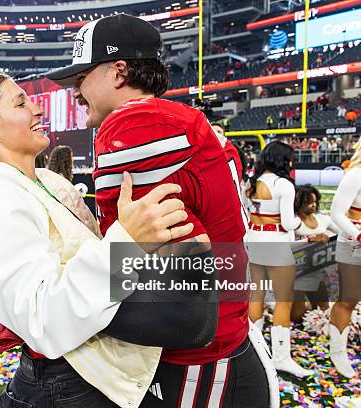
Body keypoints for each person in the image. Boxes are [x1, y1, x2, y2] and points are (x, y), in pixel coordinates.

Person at [47, 13, 274, 407]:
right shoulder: (174, 119)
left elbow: (166, 270)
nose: (75, 90)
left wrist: (68, 291)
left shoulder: (135, 124)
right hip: (217, 337)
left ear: (119, 71)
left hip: (195, 355)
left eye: (82, 76)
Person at [0, 72, 212, 408]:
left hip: (89, 376)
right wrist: (127, 242)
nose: (38, 110)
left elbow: (88, 268)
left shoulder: (44, 183)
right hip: (64, 385)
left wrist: (160, 252)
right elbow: (43, 320)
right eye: (21, 103)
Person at [246, 141, 313, 377]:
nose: (292, 162)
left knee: (257, 295)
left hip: (253, 241)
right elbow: (287, 222)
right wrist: (300, 225)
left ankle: (256, 352)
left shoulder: (252, 182)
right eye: (290, 158)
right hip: (275, 244)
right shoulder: (283, 184)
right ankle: (281, 358)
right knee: (283, 301)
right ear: (283, 159)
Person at [329, 142, 361, 378]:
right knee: (348, 300)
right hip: (353, 242)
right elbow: (336, 213)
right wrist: (358, 235)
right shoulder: (356, 174)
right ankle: (338, 353)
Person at [291, 185, 338, 322]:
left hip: (317, 271)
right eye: (309, 202)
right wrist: (310, 240)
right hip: (296, 273)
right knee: (296, 317)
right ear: (299, 202)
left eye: (315, 201)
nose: (314, 205)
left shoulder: (323, 219)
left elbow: (342, 233)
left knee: (323, 311)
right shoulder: (293, 222)